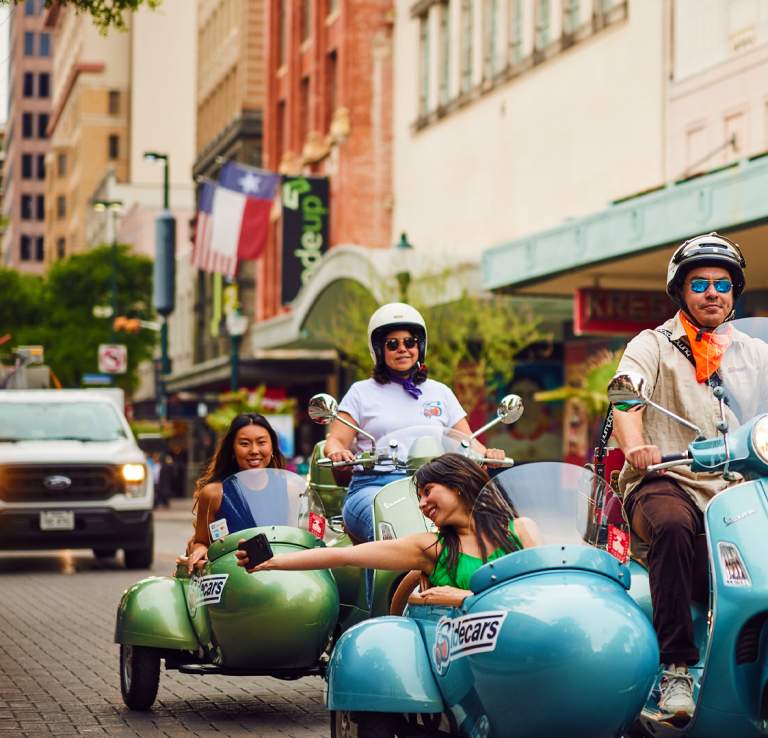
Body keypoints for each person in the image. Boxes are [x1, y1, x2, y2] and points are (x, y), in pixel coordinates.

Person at [611, 231, 751, 723]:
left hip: (738, 489)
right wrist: (635, 445)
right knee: (671, 525)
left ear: (734, 292)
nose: (713, 293)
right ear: (681, 292)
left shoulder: (753, 352)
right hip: (667, 479)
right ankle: (676, 669)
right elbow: (625, 394)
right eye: (700, 284)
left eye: (722, 284)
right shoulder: (652, 343)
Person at [236, 453, 538, 603]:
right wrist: (272, 561)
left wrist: (464, 598)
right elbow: (345, 556)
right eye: (419, 498)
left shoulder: (521, 529)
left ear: (458, 485)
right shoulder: (431, 547)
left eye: (428, 491)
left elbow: (542, 591)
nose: (422, 505)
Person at [323, 302, 505, 544]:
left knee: (485, 523)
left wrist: (489, 455)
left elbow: (466, 440)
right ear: (379, 350)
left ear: (420, 346)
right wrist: (337, 452)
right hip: (375, 486)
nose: (403, 349)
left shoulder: (439, 392)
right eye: (392, 344)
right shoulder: (361, 392)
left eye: (410, 342)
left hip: (436, 485)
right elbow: (336, 439)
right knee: (388, 530)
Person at [185, 414, 286, 574]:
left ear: (272, 447)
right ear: (232, 449)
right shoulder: (214, 493)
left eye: (261, 442)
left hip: (284, 576)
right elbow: (201, 542)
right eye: (244, 444)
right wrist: (199, 549)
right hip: (235, 579)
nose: (254, 451)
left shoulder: (289, 488)